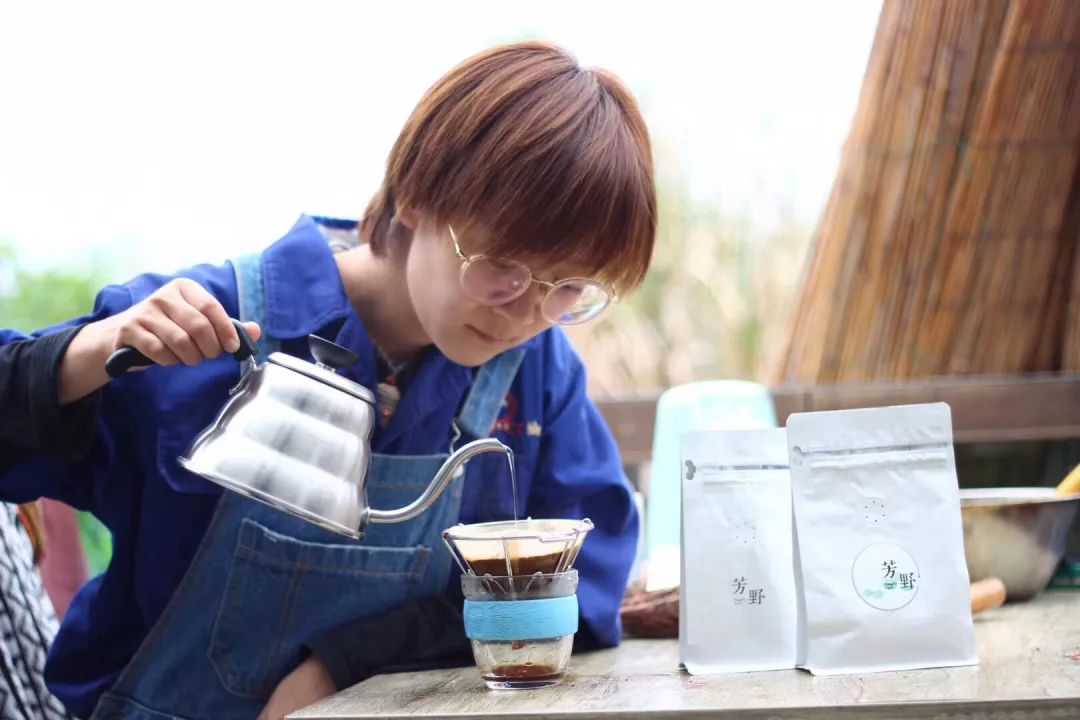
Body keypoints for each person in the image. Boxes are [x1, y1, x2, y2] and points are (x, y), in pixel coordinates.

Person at [0, 40, 656, 719]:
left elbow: (583, 588)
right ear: (417, 198)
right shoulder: (205, 330)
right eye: (504, 268)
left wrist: (349, 662)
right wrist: (89, 352)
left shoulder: (535, 375)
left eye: (568, 287)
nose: (527, 315)